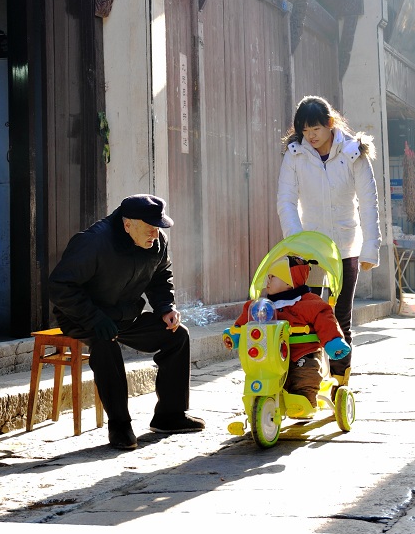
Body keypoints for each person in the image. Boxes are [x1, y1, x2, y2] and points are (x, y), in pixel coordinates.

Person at [48, 194, 205, 451]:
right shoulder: (93, 242)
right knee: (105, 343)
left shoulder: (156, 241)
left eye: (158, 228)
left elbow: (161, 276)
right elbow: (60, 286)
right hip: (83, 316)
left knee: (177, 335)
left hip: (124, 315)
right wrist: (94, 318)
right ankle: (120, 425)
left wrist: (166, 308)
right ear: (128, 224)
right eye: (150, 228)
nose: (155, 234)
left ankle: (169, 416)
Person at [277, 95, 381, 387]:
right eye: (305, 130)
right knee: (303, 314)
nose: (310, 136)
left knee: (339, 315)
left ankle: (340, 380)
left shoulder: (353, 153)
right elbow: (286, 200)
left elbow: (369, 202)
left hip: (346, 246)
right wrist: (297, 244)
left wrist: (370, 247)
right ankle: (305, 381)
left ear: (330, 124)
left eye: (316, 129)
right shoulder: (294, 155)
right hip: (308, 249)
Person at [223, 256, 350, 407]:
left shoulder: (310, 303)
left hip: (302, 352)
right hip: (271, 354)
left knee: (305, 375)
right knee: (262, 374)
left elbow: (326, 320)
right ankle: (262, 403)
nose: (267, 281)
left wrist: (333, 340)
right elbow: (246, 319)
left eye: (273, 277)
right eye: (268, 277)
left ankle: (305, 400)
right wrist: (235, 334)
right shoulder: (262, 306)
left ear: (290, 282)